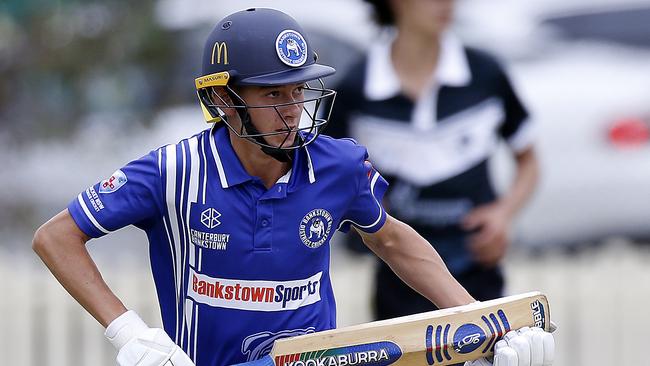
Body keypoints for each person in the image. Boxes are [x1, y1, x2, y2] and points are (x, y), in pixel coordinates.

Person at [32, 8, 551, 366]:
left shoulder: (340, 165)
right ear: (225, 101)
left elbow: (391, 238)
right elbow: (55, 237)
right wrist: (129, 334)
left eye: (298, 90)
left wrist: (481, 322)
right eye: (272, 93)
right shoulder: (173, 170)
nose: (292, 109)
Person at [327, 0, 540, 321]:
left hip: (477, 268)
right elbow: (328, 177)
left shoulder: (486, 74)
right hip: (397, 282)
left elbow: (529, 161)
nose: (446, 4)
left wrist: (503, 214)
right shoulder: (356, 86)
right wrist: (370, 221)